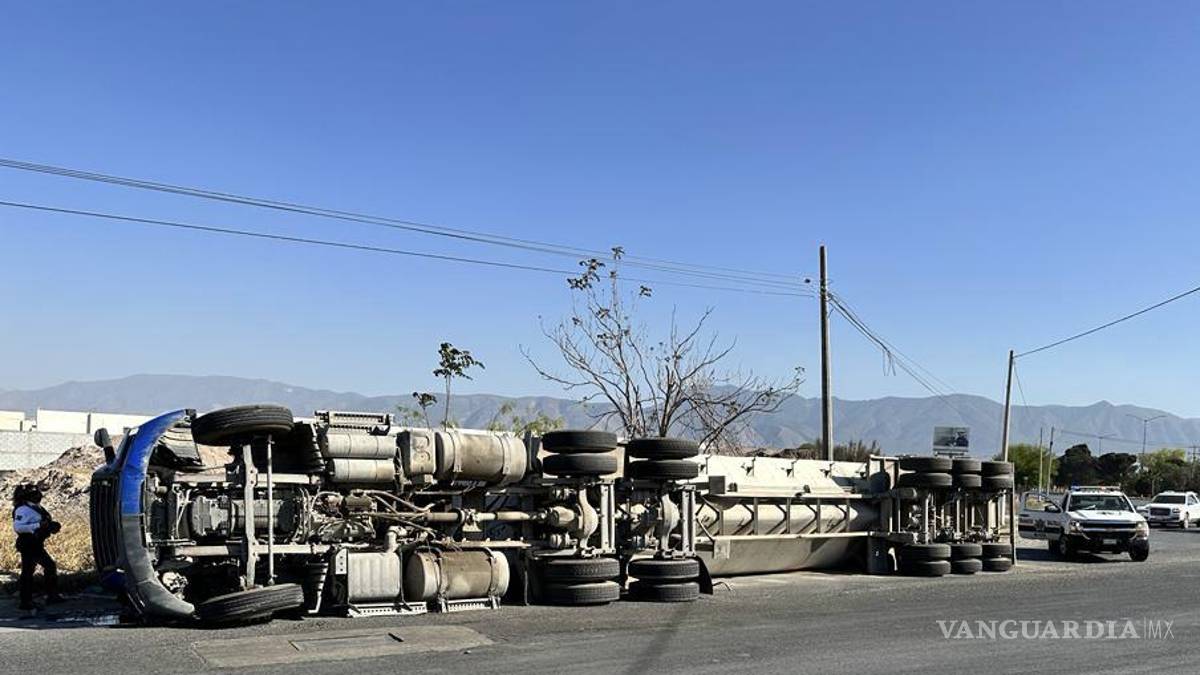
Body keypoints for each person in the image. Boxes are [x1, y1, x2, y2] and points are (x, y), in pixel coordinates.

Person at [12, 483, 63, 610]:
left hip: (36, 543)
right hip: (28, 543)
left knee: (30, 570)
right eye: (34, 493)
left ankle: (32, 599)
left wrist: (50, 526)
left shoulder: (35, 507)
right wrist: (38, 526)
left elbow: (42, 522)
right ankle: (33, 600)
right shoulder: (22, 509)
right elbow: (18, 527)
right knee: (44, 567)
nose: (38, 495)